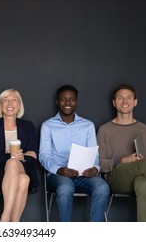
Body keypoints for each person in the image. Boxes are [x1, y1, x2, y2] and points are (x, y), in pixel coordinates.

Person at [97, 83, 146, 221]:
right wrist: (122, 161)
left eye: (129, 98)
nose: (125, 101)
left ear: (135, 102)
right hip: (116, 179)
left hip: (142, 177)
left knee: (143, 183)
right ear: (114, 103)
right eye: (120, 98)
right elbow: (99, 164)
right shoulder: (104, 130)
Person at [39, 84, 109, 222]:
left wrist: (95, 168)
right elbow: (44, 155)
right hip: (58, 175)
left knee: (103, 188)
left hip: (84, 175)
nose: (67, 103)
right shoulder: (48, 126)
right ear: (57, 102)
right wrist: (59, 169)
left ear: (76, 102)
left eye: (71, 99)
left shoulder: (88, 125)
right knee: (65, 188)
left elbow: (94, 154)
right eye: (63, 99)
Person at [0, 89, 39, 222]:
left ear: (19, 105)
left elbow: (34, 156)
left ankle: (4, 217)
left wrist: (23, 157)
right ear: (0, 106)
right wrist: (13, 156)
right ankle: (13, 224)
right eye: (5, 100)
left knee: (14, 164)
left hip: (22, 167)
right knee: (23, 180)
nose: (10, 103)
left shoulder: (28, 126)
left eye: (14, 100)